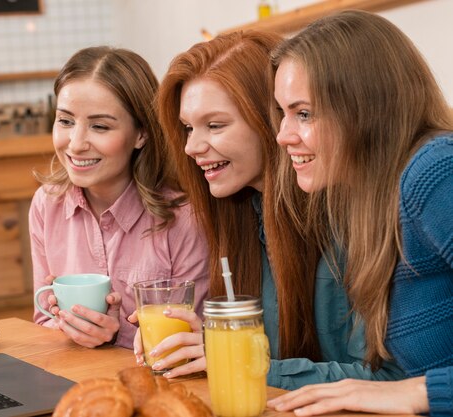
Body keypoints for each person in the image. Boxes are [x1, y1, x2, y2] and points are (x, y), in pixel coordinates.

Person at [132, 30, 405, 389]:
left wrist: (239, 362)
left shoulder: (353, 221)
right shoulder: (240, 216)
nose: (191, 147)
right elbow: (272, 354)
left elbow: (388, 377)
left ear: (271, 120)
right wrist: (215, 343)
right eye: (187, 128)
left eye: (214, 125)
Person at [269, 10, 453, 416]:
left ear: (365, 108)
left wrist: (417, 392)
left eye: (303, 113)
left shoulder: (435, 172)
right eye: (283, 113)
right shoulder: (368, 195)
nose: (283, 136)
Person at [29, 46, 209, 349]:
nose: (76, 143)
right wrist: (68, 326)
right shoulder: (46, 205)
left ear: (142, 134)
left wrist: (117, 337)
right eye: (65, 121)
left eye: (100, 126)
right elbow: (43, 319)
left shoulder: (185, 217)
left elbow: (196, 339)